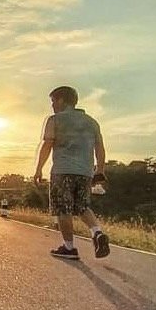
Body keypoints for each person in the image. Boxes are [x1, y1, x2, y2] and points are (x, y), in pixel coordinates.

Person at [33, 86, 110, 260]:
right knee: (82, 206)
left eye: (53, 101)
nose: (52, 105)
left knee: (63, 209)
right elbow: (99, 147)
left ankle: (69, 248)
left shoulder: (55, 120)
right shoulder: (91, 122)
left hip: (62, 171)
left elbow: (47, 145)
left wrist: (38, 169)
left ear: (61, 100)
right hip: (85, 172)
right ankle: (97, 232)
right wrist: (100, 171)